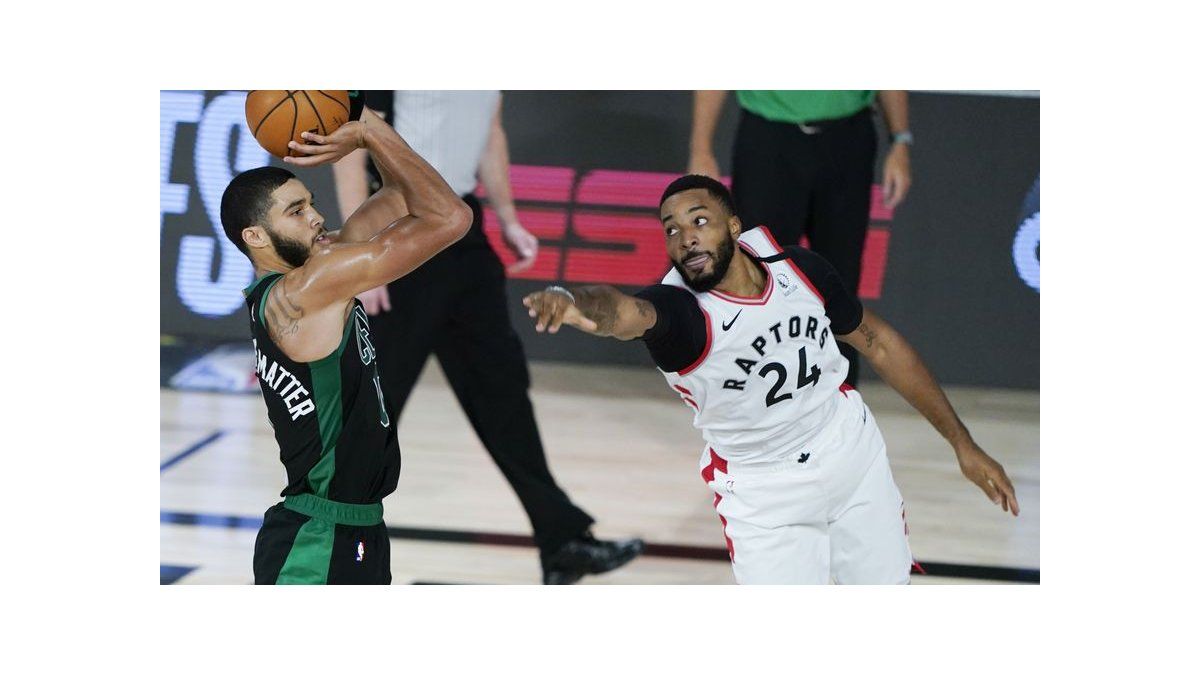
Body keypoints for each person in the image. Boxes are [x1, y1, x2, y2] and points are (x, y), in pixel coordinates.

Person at [522, 175, 1017, 584]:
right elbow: (619, 312)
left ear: (734, 226)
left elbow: (880, 344)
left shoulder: (797, 268)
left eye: (699, 221)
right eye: (670, 230)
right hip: (765, 494)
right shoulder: (679, 314)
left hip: (850, 454)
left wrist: (962, 443)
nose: (685, 237)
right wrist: (571, 300)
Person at [331, 91, 643, 585]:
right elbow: (352, 152)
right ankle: (322, 545)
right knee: (371, 413)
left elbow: (488, 134)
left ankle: (563, 540)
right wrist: (362, 259)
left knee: (503, 394)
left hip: (461, 230)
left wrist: (510, 218)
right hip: (398, 232)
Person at [219, 106, 474, 584]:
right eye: (296, 212)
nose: (316, 217)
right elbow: (450, 216)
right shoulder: (310, 286)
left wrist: (366, 127)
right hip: (317, 537)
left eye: (310, 202)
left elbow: (402, 193)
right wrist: (366, 132)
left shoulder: (314, 273)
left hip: (354, 527)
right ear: (255, 236)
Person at [688, 90, 913, 387]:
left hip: (847, 141)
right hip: (768, 142)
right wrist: (701, 148)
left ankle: (839, 401)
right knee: (756, 279)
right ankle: (753, 400)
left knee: (840, 284)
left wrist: (900, 140)